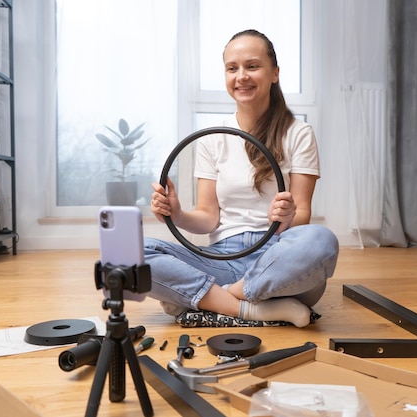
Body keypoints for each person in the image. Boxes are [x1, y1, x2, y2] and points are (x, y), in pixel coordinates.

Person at [144, 29, 339, 327]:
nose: (241, 76)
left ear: (274, 73)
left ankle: (214, 298)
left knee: (321, 240)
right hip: (221, 258)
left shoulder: (298, 133)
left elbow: (302, 214)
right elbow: (209, 218)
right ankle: (251, 308)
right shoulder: (212, 138)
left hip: (277, 258)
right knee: (127, 253)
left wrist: (287, 219)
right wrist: (177, 213)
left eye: (252, 66)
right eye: (232, 68)